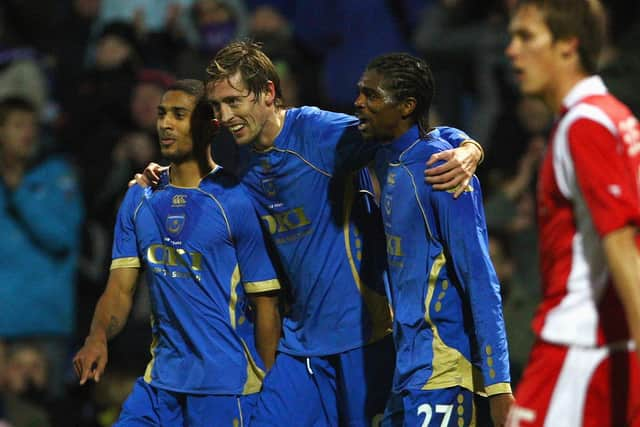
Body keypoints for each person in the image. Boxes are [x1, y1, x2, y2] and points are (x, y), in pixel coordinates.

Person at [141, 41, 483, 426]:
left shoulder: (318, 134)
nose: (226, 116)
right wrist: (165, 180)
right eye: (218, 107)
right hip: (300, 348)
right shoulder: (244, 159)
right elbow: (212, 195)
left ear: (268, 92)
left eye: (235, 102)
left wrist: (468, 147)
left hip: (363, 340)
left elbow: (409, 130)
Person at [73, 79, 281, 426]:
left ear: (208, 126)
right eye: (161, 114)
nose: (165, 124)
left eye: (179, 115)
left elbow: (265, 305)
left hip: (226, 388)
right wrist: (97, 337)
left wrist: (272, 384)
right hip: (160, 384)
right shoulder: (139, 198)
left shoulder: (237, 201)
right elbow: (120, 289)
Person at [354, 52, 513, 426]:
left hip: (443, 369)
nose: (359, 103)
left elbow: (481, 279)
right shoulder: (386, 155)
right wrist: (471, 144)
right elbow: (441, 132)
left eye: (371, 95)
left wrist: (499, 385)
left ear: (407, 105)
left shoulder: (443, 171)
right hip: (406, 369)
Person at [504, 1, 640, 426]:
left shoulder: (585, 125)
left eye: (526, 36)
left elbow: (619, 243)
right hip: (608, 345)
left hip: (576, 348)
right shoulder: (615, 116)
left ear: (568, 45)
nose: (511, 50)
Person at [0, 96, 84, 400]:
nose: (28, 133)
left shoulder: (57, 175)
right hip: (3, 326)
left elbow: (62, 238)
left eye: (33, 126)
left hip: (45, 324)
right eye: (18, 125)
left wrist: (19, 192)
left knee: (43, 415)